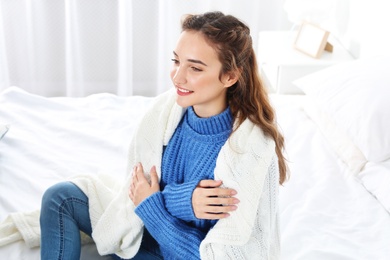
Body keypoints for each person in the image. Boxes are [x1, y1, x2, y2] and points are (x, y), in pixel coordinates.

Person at [39, 11, 287, 259]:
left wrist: (151, 205)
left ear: (230, 76)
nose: (177, 77)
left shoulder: (244, 152)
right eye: (176, 61)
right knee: (60, 198)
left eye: (195, 68)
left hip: (178, 252)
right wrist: (184, 200)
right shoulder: (165, 113)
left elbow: (205, 254)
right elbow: (138, 190)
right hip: (143, 231)